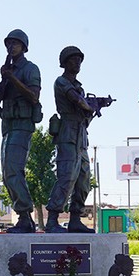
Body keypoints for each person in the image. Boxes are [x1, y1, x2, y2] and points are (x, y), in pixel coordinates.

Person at [0, 29, 42, 233]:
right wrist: (4, 78)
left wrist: (13, 78)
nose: (11, 47)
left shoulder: (30, 69)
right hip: (8, 126)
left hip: (22, 125)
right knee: (7, 173)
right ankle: (23, 217)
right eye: (8, 44)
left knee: (13, 169)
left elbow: (34, 96)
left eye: (15, 44)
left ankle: (25, 216)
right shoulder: (7, 71)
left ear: (24, 46)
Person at [45, 46, 95, 233]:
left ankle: (75, 219)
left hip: (81, 138)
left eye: (79, 60)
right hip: (67, 134)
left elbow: (86, 115)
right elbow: (77, 101)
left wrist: (93, 110)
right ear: (64, 62)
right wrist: (90, 105)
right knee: (66, 178)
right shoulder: (62, 82)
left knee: (84, 181)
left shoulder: (80, 87)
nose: (77, 63)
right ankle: (52, 220)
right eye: (73, 59)